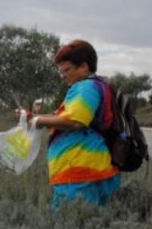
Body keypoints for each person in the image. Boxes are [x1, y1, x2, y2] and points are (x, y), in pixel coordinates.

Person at [29, 39, 120, 206]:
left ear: (84, 66)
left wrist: (39, 121)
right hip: (91, 170)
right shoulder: (98, 86)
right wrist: (35, 118)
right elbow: (68, 116)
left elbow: (74, 121)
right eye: (61, 72)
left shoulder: (85, 88)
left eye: (67, 70)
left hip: (80, 173)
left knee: (71, 223)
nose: (63, 76)